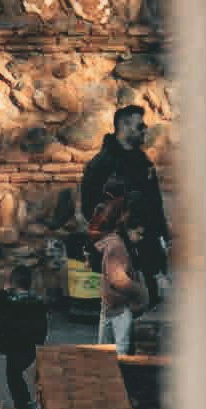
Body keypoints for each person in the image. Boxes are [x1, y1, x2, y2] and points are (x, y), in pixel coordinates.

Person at [79, 104, 170, 302]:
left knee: (149, 309)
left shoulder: (142, 161)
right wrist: (120, 233)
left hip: (149, 250)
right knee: (123, 311)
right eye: (140, 126)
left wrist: (163, 234)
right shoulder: (101, 164)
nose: (145, 129)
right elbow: (89, 208)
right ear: (125, 126)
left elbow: (155, 202)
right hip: (120, 251)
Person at [0, 262, 51, 409]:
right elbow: (43, 324)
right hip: (29, 348)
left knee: (13, 377)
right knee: (17, 377)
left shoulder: (9, 302)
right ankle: (27, 406)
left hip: (14, 348)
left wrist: (3, 291)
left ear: (12, 283)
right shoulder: (37, 301)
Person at [94, 213, 141, 354]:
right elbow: (120, 280)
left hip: (109, 303)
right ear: (129, 230)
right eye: (138, 233)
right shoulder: (120, 248)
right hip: (119, 304)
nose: (140, 237)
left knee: (104, 347)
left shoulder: (114, 242)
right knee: (121, 348)